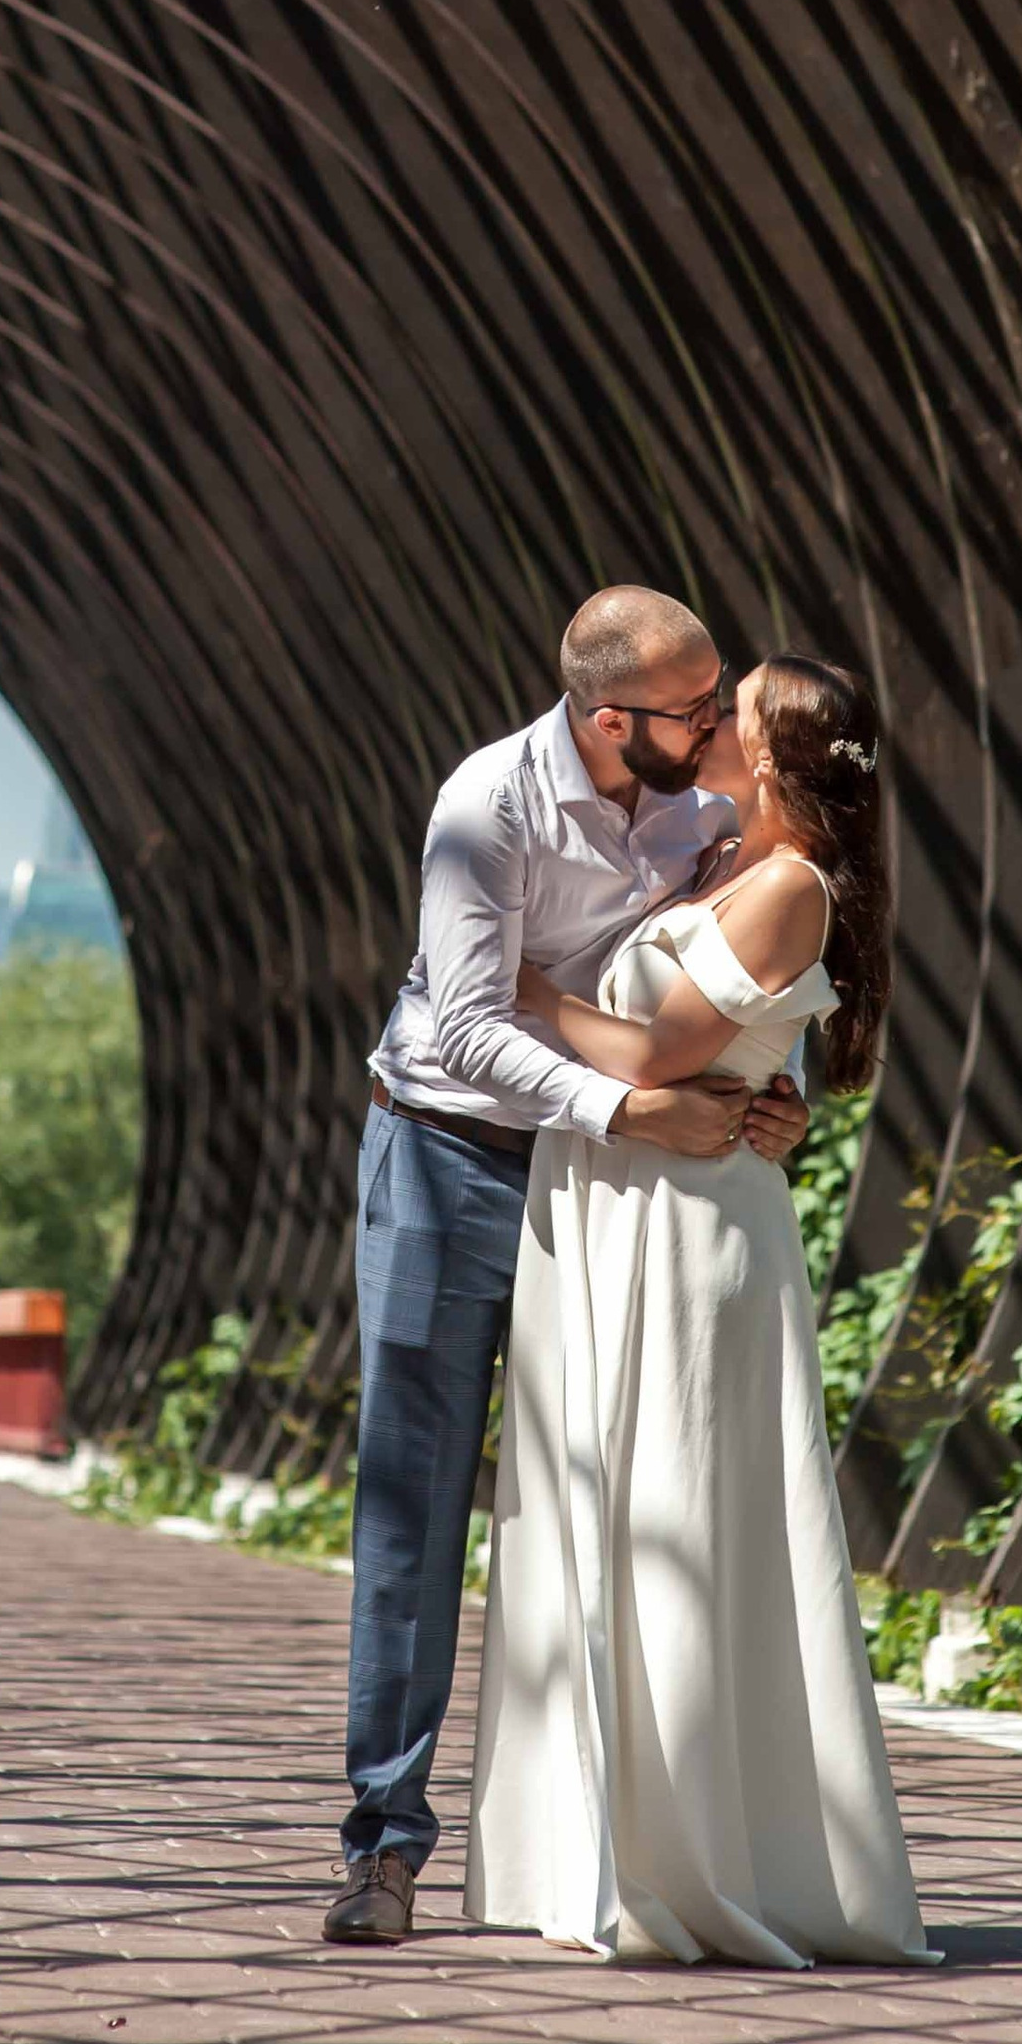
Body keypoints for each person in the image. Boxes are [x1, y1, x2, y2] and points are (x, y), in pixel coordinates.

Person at [323, 586, 813, 1947]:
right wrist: (632, 1108)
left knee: (600, 1503)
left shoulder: (708, 808)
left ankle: (599, 1843)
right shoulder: (487, 811)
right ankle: (383, 1844)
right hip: (444, 1162)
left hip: (609, 1195)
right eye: (695, 708)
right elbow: (469, 1027)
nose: (720, 726)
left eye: (721, 702)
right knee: (414, 1505)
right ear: (612, 718)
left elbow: (752, 957)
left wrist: (784, 1091)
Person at [465, 652, 935, 1967]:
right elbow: (737, 1057)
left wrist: (511, 986)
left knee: (678, 1523)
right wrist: (771, 1096)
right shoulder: (724, 857)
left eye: (733, 714)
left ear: (775, 758)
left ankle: (695, 1862)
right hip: (634, 1211)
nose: (711, 721)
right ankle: (627, 1846)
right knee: (616, 1516)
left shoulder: (785, 885)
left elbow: (654, 1055)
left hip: (686, 1235)